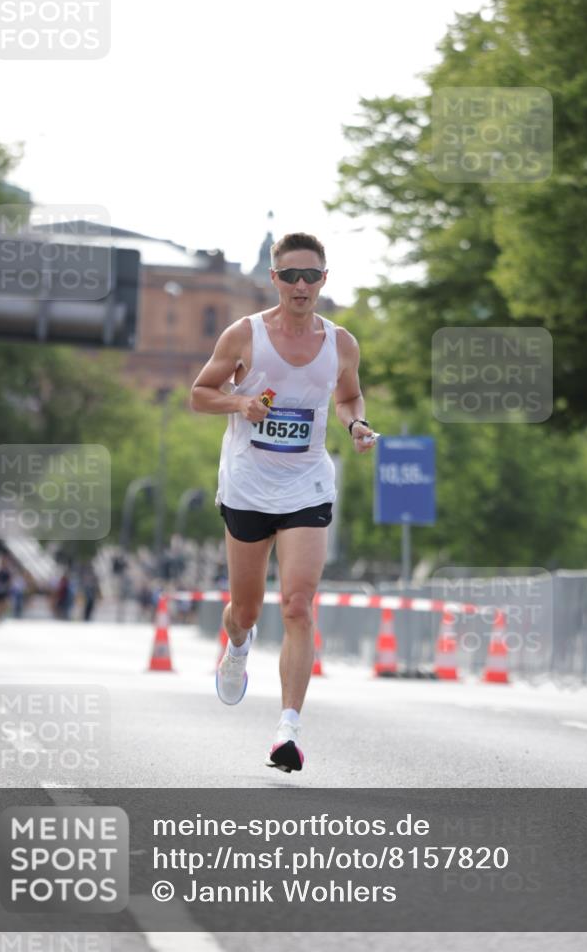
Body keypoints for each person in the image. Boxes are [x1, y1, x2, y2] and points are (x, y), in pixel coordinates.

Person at [190, 231, 375, 773]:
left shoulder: (341, 342)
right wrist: (240, 401)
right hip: (248, 483)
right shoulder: (244, 335)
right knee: (245, 609)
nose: (300, 285)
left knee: (297, 604)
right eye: (290, 275)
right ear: (274, 279)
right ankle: (238, 644)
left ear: (323, 279)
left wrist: (357, 424)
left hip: (306, 485)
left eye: (310, 275)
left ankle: (287, 729)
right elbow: (199, 394)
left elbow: (347, 395)